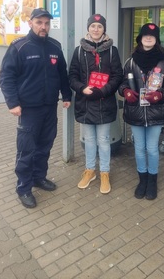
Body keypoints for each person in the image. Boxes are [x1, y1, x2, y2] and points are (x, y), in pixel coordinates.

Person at [0, 8, 72, 208]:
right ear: (30, 22)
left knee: (45, 146)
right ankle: (23, 187)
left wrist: (66, 95)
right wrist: (12, 103)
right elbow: (6, 76)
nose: (44, 27)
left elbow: (62, 75)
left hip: (49, 107)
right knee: (26, 150)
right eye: (39, 22)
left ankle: (39, 177)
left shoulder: (55, 47)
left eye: (47, 23)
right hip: (28, 110)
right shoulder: (19, 47)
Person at [118, 23, 164, 200]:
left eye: (152, 35)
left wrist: (160, 95)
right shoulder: (131, 61)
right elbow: (122, 84)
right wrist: (125, 92)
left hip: (156, 113)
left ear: (156, 39)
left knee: (151, 149)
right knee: (139, 148)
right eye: (145, 35)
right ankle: (142, 180)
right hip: (136, 111)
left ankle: (152, 181)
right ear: (140, 38)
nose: (148, 38)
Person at [69, 14, 123, 194]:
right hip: (85, 102)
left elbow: (117, 76)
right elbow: (72, 76)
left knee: (104, 140)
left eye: (99, 26)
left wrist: (104, 91)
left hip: (104, 102)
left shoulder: (112, 51)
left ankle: (105, 172)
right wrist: (82, 88)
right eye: (93, 26)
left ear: (104, 29)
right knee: (90, 140)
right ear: (88, 28)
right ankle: (90, 170)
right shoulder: (79, 51)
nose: (96, 29)